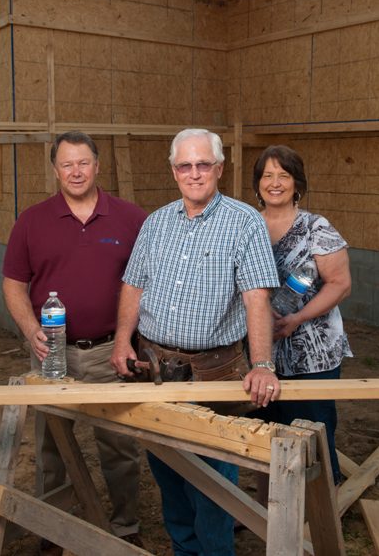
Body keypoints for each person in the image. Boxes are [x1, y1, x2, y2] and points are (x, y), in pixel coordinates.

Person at [111, 128, 281, 556]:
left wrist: (262, 364)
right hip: (155, 371)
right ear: (173, 171)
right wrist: (121, 342)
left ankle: (215, 551)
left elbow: (257, 297)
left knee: (212, 477)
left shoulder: (244, 222)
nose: (194, 173)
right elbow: (134, 285)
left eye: (203, 164)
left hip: (213, 373)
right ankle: (183, 549)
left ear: (219, 168)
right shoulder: (156, 223)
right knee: (166, 467)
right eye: (185, 165)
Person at [2, 131, 147, 553]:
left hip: (111, 351)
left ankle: (124, 525)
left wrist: (132, 340)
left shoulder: (131, 218)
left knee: (118, 443)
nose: (76, 171)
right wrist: (31, 330)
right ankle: (54, 525)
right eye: (67, 164)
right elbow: (13, 284)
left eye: (83, 162)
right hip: (53, 354)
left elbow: (147, 283)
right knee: (51, 445)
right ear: (55, 170)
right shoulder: (32, 220)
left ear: (98, 166)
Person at [252, 144, 352, 485]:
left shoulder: (316, 227)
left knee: (312, 426)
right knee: (270, 426)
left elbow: (340, 284)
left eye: (284, 175)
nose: (275, 183)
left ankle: (325, 499)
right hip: (263, 351)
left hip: (313, 351)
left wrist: (297, 317)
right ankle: (279, 500)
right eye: (267, 175)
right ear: (257, 184)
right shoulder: (247, 226)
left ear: (298, 183)